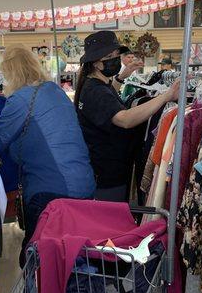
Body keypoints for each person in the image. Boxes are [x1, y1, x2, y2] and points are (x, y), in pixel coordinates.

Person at [0, 45, 96, 268]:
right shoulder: (55, 90)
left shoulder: (20, 99)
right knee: (72, 254)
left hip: (51, 189)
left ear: (10, 72)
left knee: (37, 261)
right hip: (83, 183)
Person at [75, 31, 180, 202]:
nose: (115, 59)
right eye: (109, 56)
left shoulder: (94, 84)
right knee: (111, 221)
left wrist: (121, 77)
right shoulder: (95, 91)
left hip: (106, 169)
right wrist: (166, 96)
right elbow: (125, 119)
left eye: (117, 55)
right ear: (96, 63)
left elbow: (107, 104)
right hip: (108, 175)